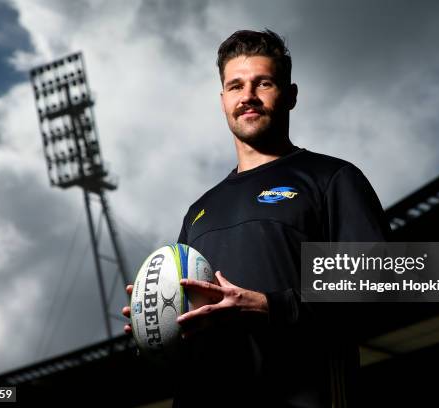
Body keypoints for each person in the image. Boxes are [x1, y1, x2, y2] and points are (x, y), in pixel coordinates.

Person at [122, 29, 389, 407]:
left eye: (262, 83)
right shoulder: (201, 209)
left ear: (290, 96)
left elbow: (377, 288)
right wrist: (155, 328)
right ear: (222, 100)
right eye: (235, 86)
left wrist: (267, 305)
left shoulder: (329, 179)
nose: (247, 96)